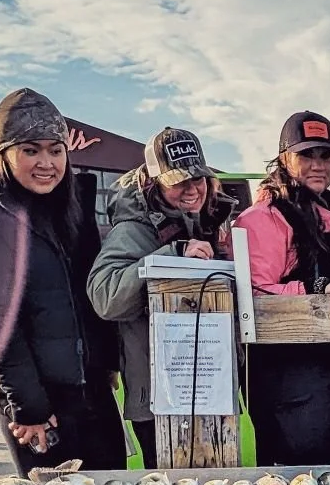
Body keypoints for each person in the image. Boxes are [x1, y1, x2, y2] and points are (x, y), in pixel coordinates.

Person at [0, 88, 125, 475]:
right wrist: (29, 408)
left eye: (55, 150)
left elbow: (88, 296)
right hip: (39, 401)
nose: (46, 162)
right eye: (30, 150)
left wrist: (104, 362)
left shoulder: (72, 208)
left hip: (90, 391)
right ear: (3, 156)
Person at [236, 110, 330, 464]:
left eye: (325, 155)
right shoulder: (261, 218)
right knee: (302, 482)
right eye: (306, 155)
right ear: (284, 158)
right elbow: (256, 294)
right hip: (291, 383)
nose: (318, 165)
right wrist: (318, 289)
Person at [87, 127, 234, 466]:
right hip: (159, 399)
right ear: (155, 182)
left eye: (198, 177)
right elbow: (104, 296)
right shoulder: (132, 229)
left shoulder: (207, 223)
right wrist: (169, 257)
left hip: (206, 388)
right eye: (179, 181)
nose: (192, 188)